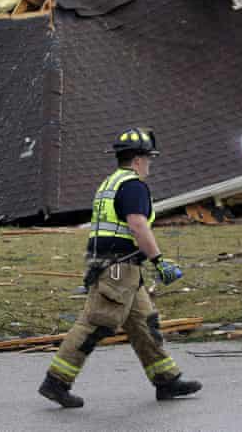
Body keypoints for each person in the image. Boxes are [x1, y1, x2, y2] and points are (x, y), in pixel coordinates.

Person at [38, 127, 202, 408]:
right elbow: (137, 224)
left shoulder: (110, 182)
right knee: (96, 323)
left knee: (144, 324)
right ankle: (56, 382)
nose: (149, 164)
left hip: (118, 267)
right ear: (138, 159)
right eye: (148, 158)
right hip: (118, 268)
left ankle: (166, 380)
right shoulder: (133, 185)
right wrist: (159, 261)